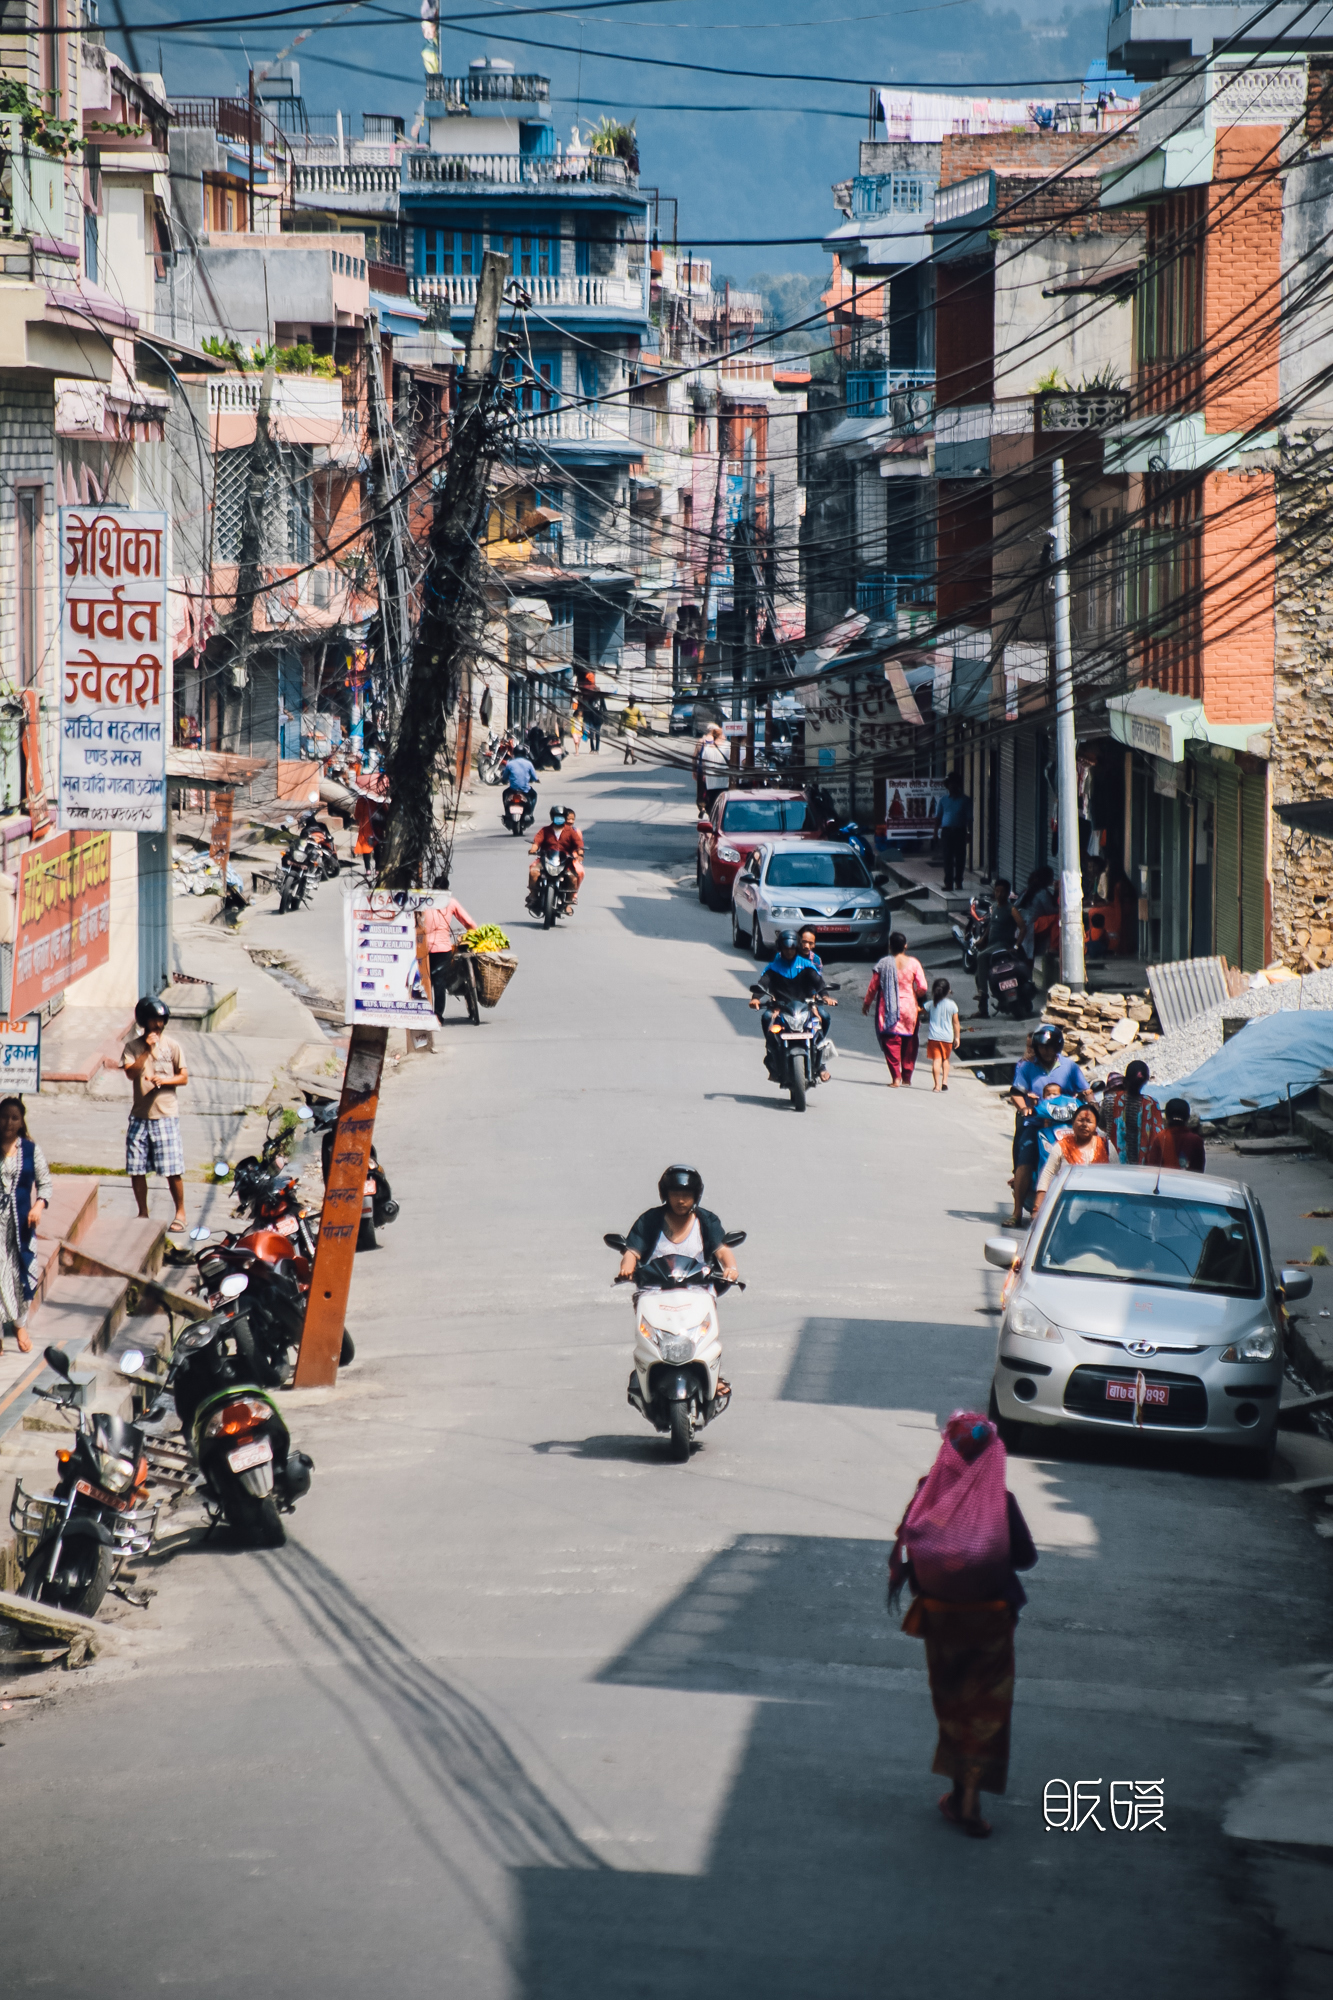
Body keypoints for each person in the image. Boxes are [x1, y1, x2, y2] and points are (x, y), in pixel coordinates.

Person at [889, 1410, 1038, 1840]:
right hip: (990, 1620)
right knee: (985, 1712)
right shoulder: (1000, 1502)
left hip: (940, 1618)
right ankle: (969, 1800)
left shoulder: (927, 1492)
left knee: (954, 1706)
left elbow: (911, 1548)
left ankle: (961, 1796)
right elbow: (1026, 1558)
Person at [1006, 1025, 1092, 1226]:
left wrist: (1092, 1104)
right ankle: (1017, 1212)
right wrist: (1023, 1108)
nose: (1045, 1050)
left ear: (1058, 1046)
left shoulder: (1069, 1067)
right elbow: (1017, 1092)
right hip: (1035, 1122)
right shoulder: (1027, 1067)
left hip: (1067, 1124)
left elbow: (1085, 1091)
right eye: (1042, 1047)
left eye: (1050, 1046)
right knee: (1025, 1161)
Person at [122, 996, 189, 1233]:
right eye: (153, 1020)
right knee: (137, 1168)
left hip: (165, 1115)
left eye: (161, 1020)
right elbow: (131, 1073)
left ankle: (180, 1212)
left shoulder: (172, 1047)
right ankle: (142, 1212)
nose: (157, 1025)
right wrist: (147, 1051)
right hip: (140, 1116)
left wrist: (166, 1080)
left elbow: (184, 1076)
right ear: (143, 1022)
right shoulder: (132, 1047)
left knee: (172, 1168)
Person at [617, 1164, 740, 1286]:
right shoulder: (649, 1220)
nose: (680, 1201)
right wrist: (626, 1268)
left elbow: (722, 1251)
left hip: (699, 1289)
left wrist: (731, 1269)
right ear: (666, 1195)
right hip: (653, 1289)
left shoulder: (707, 1221)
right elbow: (632, 1253)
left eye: (686, 1195)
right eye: (675, 1194)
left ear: (695, 1196)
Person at [0, 1097, 51, 1355]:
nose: (8, 1123)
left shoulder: (30, 1150)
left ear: (21, 1122)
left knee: (19, 1276)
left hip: (20, 1227)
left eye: (14, 1118)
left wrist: (38, 1206)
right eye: (4, 1117)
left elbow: (45, 1185)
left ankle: (20, 1325)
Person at [749, 930, 833, 1083]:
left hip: (804, 1008)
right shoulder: (773, 967)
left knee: (820, 1025)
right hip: (780, 1009)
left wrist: (826, 997)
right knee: (766, 1017)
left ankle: (820, 1064)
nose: (789, 952)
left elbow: (819, 983)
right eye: (786, 949)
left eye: (792, 949)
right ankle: (772, 1057)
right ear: (780, 948)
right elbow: (762, 984)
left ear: (796, 948)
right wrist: (755, 999)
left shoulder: (806, 965)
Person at [863, 930, 928, 1087]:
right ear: (905, 946)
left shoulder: (884, 964)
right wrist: (914, 995)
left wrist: (867, 1003)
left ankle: (896, 1078)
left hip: (889, 1009)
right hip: (910, 1007)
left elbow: (873, 987)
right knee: (909, 1042)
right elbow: (923, 987)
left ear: (890, 947)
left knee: (891, 1042)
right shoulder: (914, 963)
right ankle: (907, 1077)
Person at [1033, 1102, 1119, 1213]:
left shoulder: (1107, 1146)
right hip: (1067, 1205)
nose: (1084, 1125)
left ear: (1095, 1126)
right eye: (1080, 1120)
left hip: (1101, 1206)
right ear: (1073, 1123)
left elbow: (1116, 1175)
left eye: (1089, 1122)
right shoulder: (1061, 1146)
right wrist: (1037, 1207)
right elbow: (1047, 1174)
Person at [422, 874, 477, 1021]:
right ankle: (438, 1015)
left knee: (423, 980)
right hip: (442, 949)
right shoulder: (451, 902)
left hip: (422, 948)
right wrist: (475, 935)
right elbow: (469, 922)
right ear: (447, 889)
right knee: (439, 982)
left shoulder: (423, 901)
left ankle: (421, 1013)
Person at [973, 879, 1024, 1018]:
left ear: (1008, 893)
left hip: (1003, 946)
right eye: (997, 891)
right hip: (991, 946)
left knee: (981, 956)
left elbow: (1023, 927)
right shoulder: (994, 907)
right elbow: (991, 925)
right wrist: (982, 939)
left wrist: (1016, 946)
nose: (999, 894)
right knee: (978, 975)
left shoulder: (1011, 909)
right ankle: (983, 1010)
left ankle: (983, 992)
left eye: (1002, 892)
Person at [1101, 1058, 1164, 1166]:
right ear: (1146, 1080)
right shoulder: (1151, 1104)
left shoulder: (1110, 1100)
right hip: (1143, 1167)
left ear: (1125, 1079)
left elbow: (1102, 1126)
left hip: (1114, 1161)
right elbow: (1158, 1137)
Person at [528, 805, 585, 909]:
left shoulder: (571, 831)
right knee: (533, 871)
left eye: (561, 816)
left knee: (573, 877)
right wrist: (533, 849)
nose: (559, 819)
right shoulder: (545, 830)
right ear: (552, 817)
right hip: (546, 858)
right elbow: (537, 841)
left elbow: (578, 844)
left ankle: (568, 902)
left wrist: (580, 853)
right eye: (557, 816)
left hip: (565, 860)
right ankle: (533, 895)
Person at [1144, 1098, 1206, 1172]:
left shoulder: (1160, 1138)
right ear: (1187, 1117)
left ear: (1166, 1116)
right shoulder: (1196, 1140)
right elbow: (1199, 1170)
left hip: (1164, 1182)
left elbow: (1153, 1168)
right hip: (1188, 1182)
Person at [938, 773, 973, 893]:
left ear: (958, 785)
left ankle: (958, 881)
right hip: (947, 832)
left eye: (954, 783)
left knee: (960, 858)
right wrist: (934, 832)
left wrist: (969, 832)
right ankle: (948, 883)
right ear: (947, 786)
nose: (952, 786)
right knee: (947, 858)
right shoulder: (943, 800)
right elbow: (938, 817)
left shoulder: (965, 800)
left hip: (960, 831)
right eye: (950, 784)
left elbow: (969, 818)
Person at [926, 976, 961, 1092]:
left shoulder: (931, 1004)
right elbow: (956, 1023)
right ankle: (944, 1081)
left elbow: (919, 1010)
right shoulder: (952, 1005)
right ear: (948, 991)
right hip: (947, 1038)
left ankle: (936, 1086)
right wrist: (957, 1037)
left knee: (936, 1060)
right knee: (945, 1059)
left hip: (934, 1037)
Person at [699, 725, 730, 805]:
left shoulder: (707, 748)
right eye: (724, 734)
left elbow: (703, 765)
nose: (725, 736)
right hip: (725, 783)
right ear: (720, 736)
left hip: (711, 784)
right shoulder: (728, 747)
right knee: (723, 805)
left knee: (713, 805)